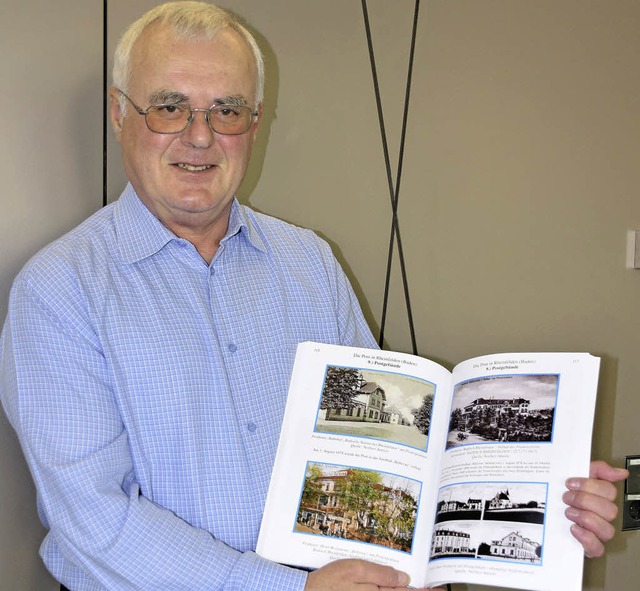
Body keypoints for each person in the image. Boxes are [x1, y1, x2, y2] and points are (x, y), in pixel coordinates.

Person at [0, 2, 628, 590]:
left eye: (227, 109)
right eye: (168, 106)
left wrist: (545, 501)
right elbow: (95, 523)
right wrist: (287, 588)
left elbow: (390, 449)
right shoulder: (60, 292)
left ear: (255, 120)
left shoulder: (310, 265)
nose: (200, 136)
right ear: (119, 113)